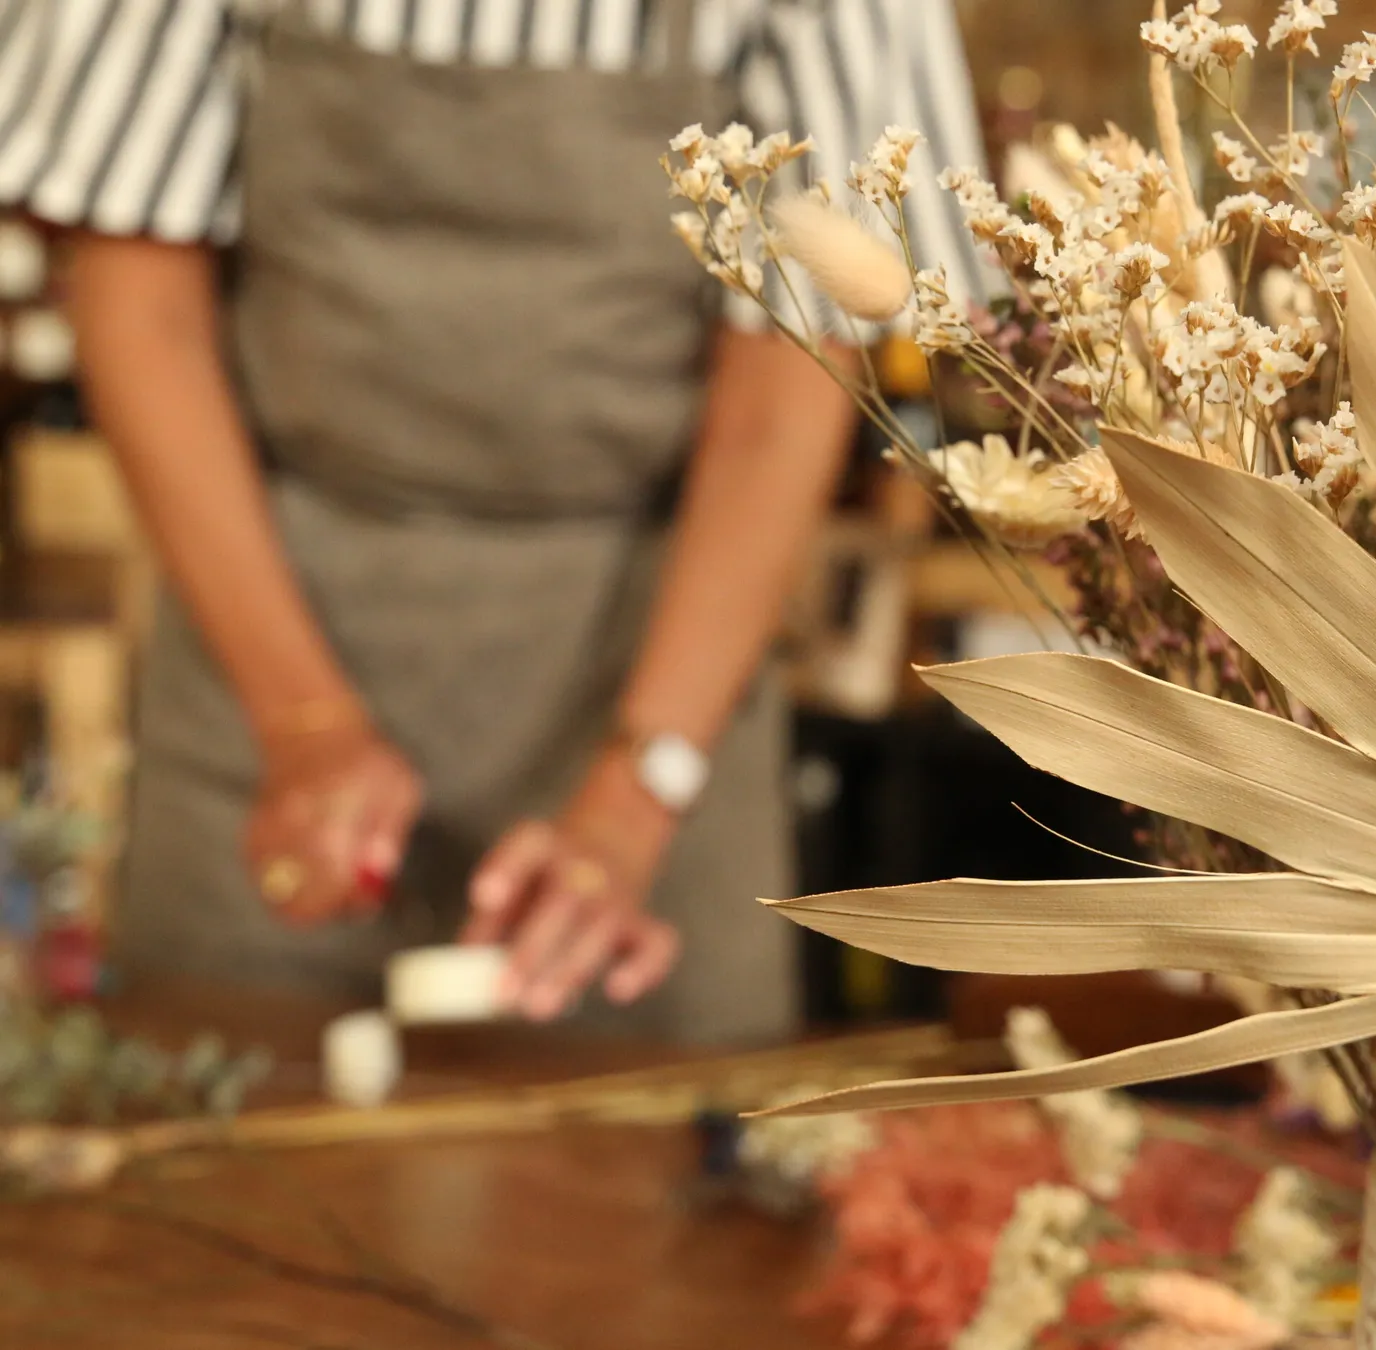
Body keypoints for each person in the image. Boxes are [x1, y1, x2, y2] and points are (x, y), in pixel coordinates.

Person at [0, 0, 987, 1043]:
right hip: (264, 643)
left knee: (648, 1177)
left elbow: (789, 374)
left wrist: (641, 790)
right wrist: (302, 720)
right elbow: (138, 300)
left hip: (654, 659)